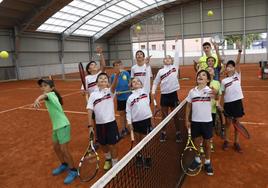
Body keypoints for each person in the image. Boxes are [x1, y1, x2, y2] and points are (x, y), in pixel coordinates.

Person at [33, 79, 77, 184]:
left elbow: (44, 96)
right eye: (41, 86)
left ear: (52, 88)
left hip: (63, 125)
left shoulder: (51, 95)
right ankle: (64, 164)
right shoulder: (50, 95)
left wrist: (37, 99)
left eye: (45, 85)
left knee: (64, 149)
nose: (43, 87)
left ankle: (73, 170)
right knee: (56, 148)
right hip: (56, 127)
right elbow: (44, 96)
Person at [87, 71, 120, 171]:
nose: (103, 79)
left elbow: (114, 86)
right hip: (99, 124)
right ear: (97, 83)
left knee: (112, 144)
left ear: (108, 82)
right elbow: (89, 109)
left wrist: (117, 75)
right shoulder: (93, 95)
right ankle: (108, 159)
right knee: (102, 144)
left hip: (111, 123)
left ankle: (115, 163)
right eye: (100, 78)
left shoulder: (110, 91)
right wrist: (90, 126)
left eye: (105, 78)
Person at [151, 33, 182, 143]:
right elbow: (155, 82)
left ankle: (178, 133)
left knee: (176, 116)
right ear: (163, 61)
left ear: (172, 61)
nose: (167, 59)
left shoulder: (175, 67)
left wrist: (177, 42)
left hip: (173, 95)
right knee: (164, 116)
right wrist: (153, 91)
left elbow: (177, 54)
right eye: (165, 58)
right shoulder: (160, 71)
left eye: (169, 58)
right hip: (164, 95)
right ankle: (163, 133)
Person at [185, 70, 215, 176]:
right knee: (196, 142)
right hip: (195, 121)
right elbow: (188, 106)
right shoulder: (192, 91)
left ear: (207, 80)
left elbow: (215, 95)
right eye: (199, 75)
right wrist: (187, 119)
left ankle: (207, 162)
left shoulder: (209, 90)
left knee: (207, 143)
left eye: (203, 75)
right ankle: (197, 160)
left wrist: (214, 92)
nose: (200, 76)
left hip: (207, 121)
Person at [221, 42, 244, 153]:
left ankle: (236, 142)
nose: (230, 67)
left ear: (234, 68)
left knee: (237, 124)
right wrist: (219, 105)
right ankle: (226, 140)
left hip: (237, 102)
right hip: (228, 104)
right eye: (228, 66)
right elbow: (221, 93)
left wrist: (239, 50)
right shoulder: (224, 81)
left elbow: (238, 62)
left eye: (232, 66)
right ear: (226, 69)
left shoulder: (237, 76)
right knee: (228, 124)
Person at [126, 77, 152, 168]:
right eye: (133, 82)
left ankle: (148, 157)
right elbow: (128, 111)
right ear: (131, 86)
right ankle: (139, 156)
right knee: (138, 141)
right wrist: (129, 123)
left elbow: (147, 77)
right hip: (136, 122)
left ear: (141, 84)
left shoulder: (145, 92)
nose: (136, 82)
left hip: (146, 120)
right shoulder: (130, 98)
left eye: (138, 81)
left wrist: (146, 65)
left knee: (146, 141)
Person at [199, 67, 222, 154]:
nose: (209, 70)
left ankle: (210, 143)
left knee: (211, 128)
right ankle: (201, 144)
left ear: (214, 73)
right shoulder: (203, 82)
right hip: (203, 109)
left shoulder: (217, 83)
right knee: (202, 127)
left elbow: (219, 95)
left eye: (211, 70)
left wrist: (217, 103)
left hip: (212, 109)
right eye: (207, 69)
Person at [111, 60, 131, 137]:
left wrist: (130, 85)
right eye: (116, 65)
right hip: (120, 98)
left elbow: (129, 82)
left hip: (128, 97)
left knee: (128, 113)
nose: (118, 66)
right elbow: (112, 87)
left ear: (122, 66)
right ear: (114, 67)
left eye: (120, 65)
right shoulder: (113, 76)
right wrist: (116, 92)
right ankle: (123, 129)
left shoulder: (126, 73)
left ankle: (129, 127)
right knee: (122, 114)